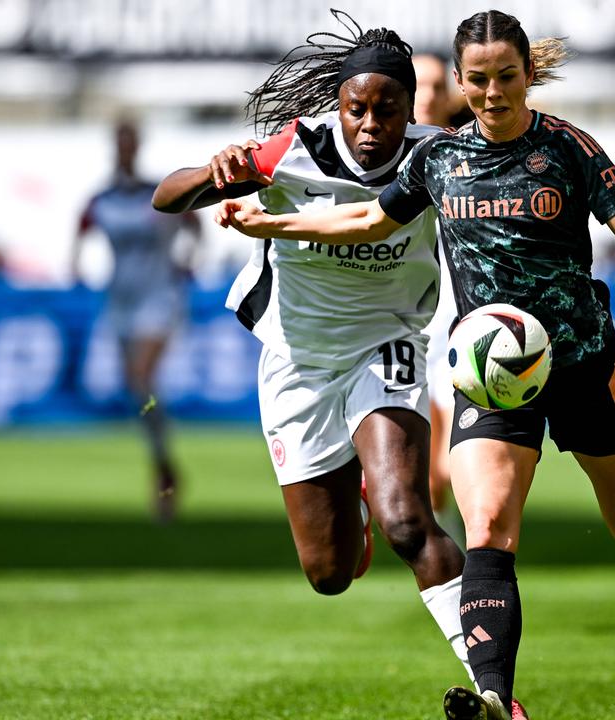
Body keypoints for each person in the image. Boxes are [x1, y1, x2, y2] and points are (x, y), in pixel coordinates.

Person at [212, 10, 615, 719]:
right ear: (462, 83)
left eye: (507, 77)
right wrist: (271, 222)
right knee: (486, 526)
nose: (494, 92)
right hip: (492, 373)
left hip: (581, 358)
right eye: (480, 80)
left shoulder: (569, 147)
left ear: (527, 75)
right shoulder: (437, 160)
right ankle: (494, 693)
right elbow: (368, 220)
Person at [151, 13, 511, 714]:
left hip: (388, 345)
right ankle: (355, 518)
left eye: (388, 109)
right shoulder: (292, 151)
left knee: (411, 518)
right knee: (329, 573)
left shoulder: (438, 158)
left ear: (413, 109)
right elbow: (167, 197)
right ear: (337, 106)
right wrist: (213, 172)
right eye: (357, 108)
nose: (371, 123)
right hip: (296, 365)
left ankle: (495, 688)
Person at [74, 119, 198, 524]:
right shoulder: (103, 198)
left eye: (130, 142)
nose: (125, 149)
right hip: (121, 303)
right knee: (138, 390)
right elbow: (80, 233)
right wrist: (75, 270)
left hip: (159, 299)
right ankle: (162, 456)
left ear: (137, 146)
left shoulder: (155, 193)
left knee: (142, 379)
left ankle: (163, 471)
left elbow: (194, 223)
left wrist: (187, 262)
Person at [410, 52, 465, 543]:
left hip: (453, 320)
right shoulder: (382, 158)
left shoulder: (468, 156)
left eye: (434, 85)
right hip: (402, 323)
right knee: (426, 470)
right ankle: (448, 545)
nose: (425, 95)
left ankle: (457, 547)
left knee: (450, 462)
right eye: (416, 85)